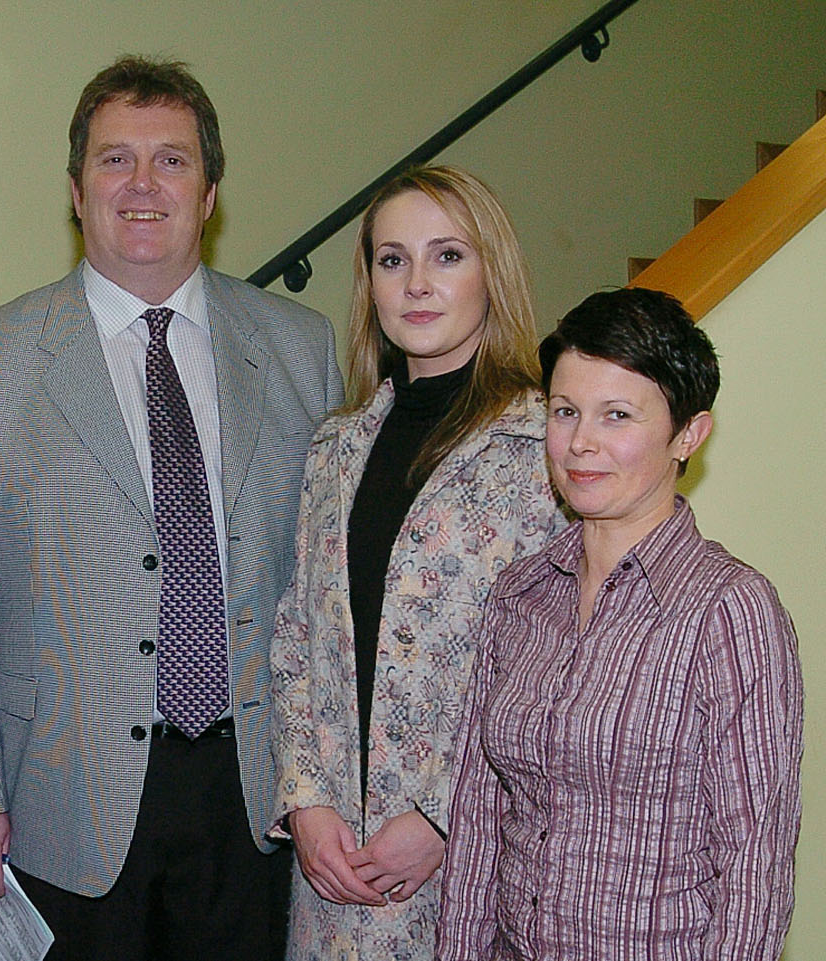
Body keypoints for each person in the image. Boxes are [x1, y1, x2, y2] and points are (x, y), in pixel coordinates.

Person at [0, 55, 342, 961]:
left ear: (210, 192)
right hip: (64, 800)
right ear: (77, 191)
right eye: (115, 159)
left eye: (172, 160)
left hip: (257, 794)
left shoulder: (300, 349)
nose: (143, 184)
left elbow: (330, 597)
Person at [437, 286, 803, 960]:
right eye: (566, 411)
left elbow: (754, 866)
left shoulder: (728, 610)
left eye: (617, 415)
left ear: (688, 434)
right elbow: (478, 821)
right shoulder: (520, 595)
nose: (581, 443)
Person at [270, 165, 566, 960]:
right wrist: (304, 800)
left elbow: (556, 666)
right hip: (333, 868)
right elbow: (296, 636)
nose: (417, 284)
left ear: (492, 271)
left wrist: (443, 812)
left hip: (476, 864)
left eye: (448, 255)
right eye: (393, 259)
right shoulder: (336, 447)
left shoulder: (546, 451)